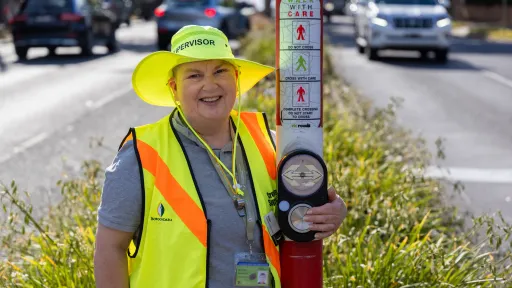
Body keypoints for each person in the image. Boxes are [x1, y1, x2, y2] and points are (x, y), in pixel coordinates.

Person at [93, 25, 347, 288]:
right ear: (174, 88)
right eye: (194, 75)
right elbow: (110, 249)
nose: (210, 84)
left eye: (220, 71)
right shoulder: (141, 154)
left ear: (236, 79)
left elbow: (315, 202)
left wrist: (335, 211)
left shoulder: (269, 142)